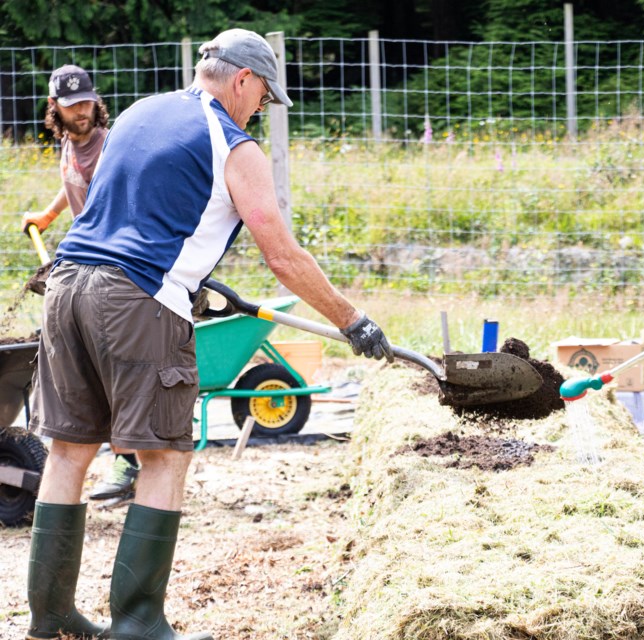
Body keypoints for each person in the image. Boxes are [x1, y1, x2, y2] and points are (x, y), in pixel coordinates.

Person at [24, 29, 394, 640]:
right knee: (164, 456)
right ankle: (139, 622)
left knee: (68, 450)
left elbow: (120, 213)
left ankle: (51, 617)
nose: (260, 110)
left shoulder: (142, 111)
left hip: (66, 285)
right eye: (263, 98)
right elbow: (283, 256)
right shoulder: (234, 143)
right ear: (243, 79)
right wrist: (352, 320)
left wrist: (192, 278)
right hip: (136, 299)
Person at [21, 64, 143, 507]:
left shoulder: (110, 148)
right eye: (72, 107)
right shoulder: (70, 146)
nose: (83, 112)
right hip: (86, 264)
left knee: (112, 363)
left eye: (88, 103)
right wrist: (49, 216)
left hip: (112, 269)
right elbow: (71, 185)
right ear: (55, 108)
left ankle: (128, 460)